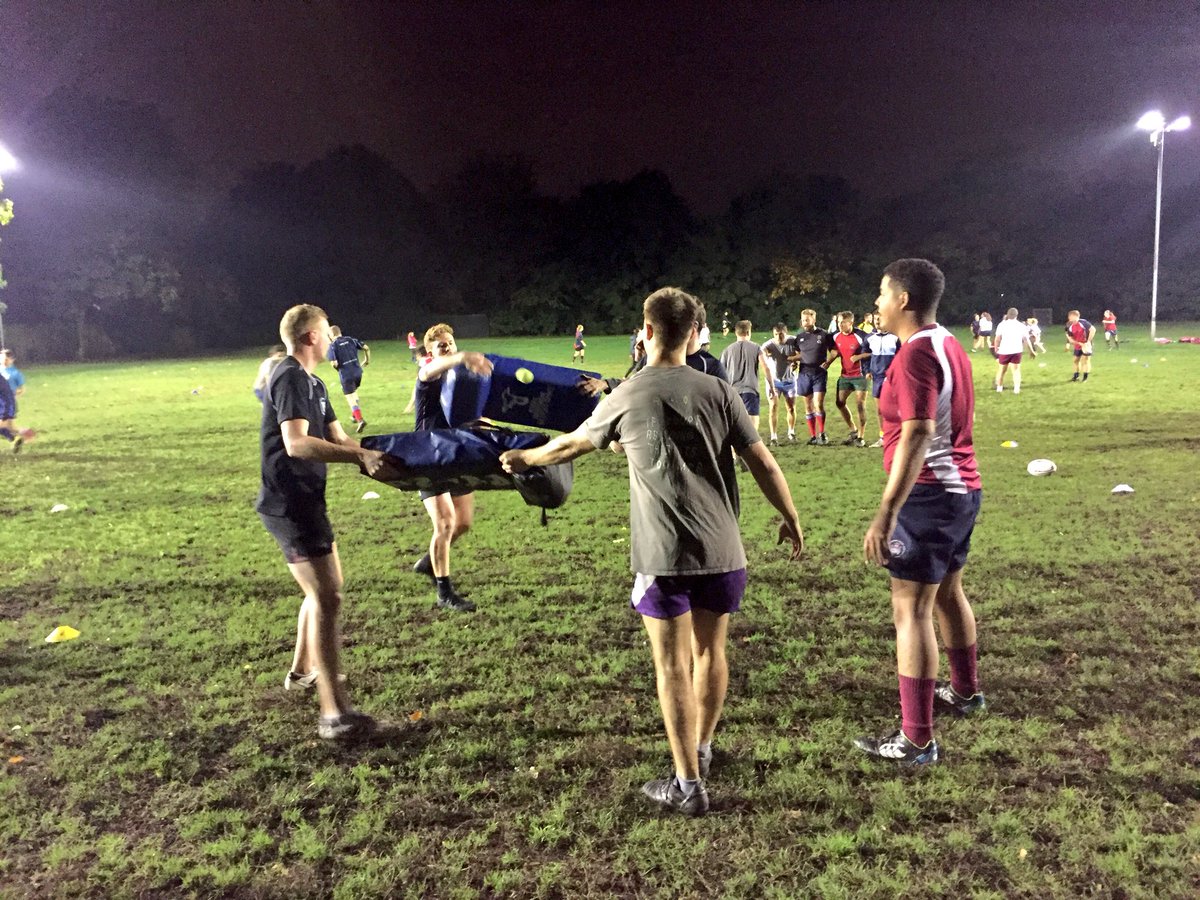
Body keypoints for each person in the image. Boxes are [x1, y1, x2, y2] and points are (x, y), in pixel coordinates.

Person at [499, 287, 804, 816]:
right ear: (694, 334)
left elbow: (569, 444)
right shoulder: (720, 390)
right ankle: (702, 750)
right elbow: (764, 463)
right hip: (724, 549)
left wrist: (524, 459)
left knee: (671, 667)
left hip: (663, 558)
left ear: (645, 331)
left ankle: (687, 784)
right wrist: (790, 517)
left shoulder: (628, 393)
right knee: (711, 653)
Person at [857, 259, 985, 767]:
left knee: (910, 610)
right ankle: (966, 691)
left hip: (928, 496)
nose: (877, 304)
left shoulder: (913, 356)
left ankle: (916, 740)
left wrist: (887, 511)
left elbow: (917, 430)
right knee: (949, 593)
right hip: (961, 490)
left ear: (904, 300)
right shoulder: (947, 341)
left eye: (882, 294)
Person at [256, 304, 389, 741]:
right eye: (326, 333)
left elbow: (338, 438)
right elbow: (296, 444)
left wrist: (388, 458)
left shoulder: (313, 382)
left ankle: (300, 673)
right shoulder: (291, 375)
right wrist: (359, 457)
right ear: (311, 337)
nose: (333, 339)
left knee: (323, 592)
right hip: (290, 502)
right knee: (327, 595)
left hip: (308, 500)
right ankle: (334, 714)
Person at [410, 324, 494, 612]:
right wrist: (459, 358)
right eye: (441, 345)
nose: (447, 347)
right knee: (444, 523)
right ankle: (445, 592)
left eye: (450, 343)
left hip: (456, 456)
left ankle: (428, 562)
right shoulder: (427, 375)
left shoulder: (460, 382)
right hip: (428, 457)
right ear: (430, 352)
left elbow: (466, 418)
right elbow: (430, 370)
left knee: (463, 523)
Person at [789, 309, 834, 445]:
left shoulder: (824, 335)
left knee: (818, 404)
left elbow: (834, 351)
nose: (805, 322)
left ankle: (822, 433)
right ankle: (813, 436)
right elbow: (799, 354)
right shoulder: (799, 337)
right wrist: (794, 362)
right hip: (804, 373)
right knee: (808, 406)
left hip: (819, 372)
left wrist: (829, 362)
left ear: (814, 320)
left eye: (807, 320)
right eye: (803, 320)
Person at [827, 311, 872, 447]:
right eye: (839, 322)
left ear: (851, 323)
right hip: (845, 375)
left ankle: (861, 437)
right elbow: (835, 350)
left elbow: (872, 351)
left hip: (860, 375)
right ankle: (853, 430)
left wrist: (858, 358)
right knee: (839, 402)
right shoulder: (835, 336)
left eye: (843, 322)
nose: (840, 325)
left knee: (860, 405)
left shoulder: (861, 336)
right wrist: (829, 361)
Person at [719, 320, 762, 435]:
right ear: (748, 332)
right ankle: (750, 450)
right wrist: (772, 387)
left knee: (733, 426)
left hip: (732, 392)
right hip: (750, 391)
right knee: (752, 428)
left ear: (736, 332)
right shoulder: (757, 348)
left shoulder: (727, 351)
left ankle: (733, 453)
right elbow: (766, 368)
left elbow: (720, 373)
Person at [326, 326, 371, 432]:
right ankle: (354, 416)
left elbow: (334, 363)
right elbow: (366, 348)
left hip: (346, 374)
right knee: (354, 393)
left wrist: (337, 367)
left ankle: (360, 420)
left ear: (331, 335)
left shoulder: (332, 346)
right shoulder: (351, 339)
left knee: (350, 399)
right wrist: (367, 360)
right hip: (358, 372)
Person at [760, 323, 798, 444]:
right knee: (773, 407)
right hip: (774, 382)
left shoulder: (793, 341)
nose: (778, 337)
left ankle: (791, 432)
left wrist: (795, 360)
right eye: (776, 334)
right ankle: (773, 437)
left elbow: (802, 352)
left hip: (790, 381)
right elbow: (761, 352)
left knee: (791, 407)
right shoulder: (769, 345)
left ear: (786, 333)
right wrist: (765, 353)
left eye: (781, 334)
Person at [865, 324, 900, 446]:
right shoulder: (869, 337)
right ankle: (883, 437)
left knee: (895, 409)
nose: (878, 322)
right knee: (880, 409)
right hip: (877, 377)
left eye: (880, 318)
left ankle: (897, 436)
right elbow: (865, 355)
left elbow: (902, 355)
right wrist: (867, 370)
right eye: (876, 319)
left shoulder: (896, 336)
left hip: (892, 377)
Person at [991, 307, 1037, 393]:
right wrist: (1032, 351)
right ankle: (1016, 389)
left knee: (1001, 370)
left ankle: (999, 388)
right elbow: (1026, 340)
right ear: (1016, 315)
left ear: (1008, 315)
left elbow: (997, 338)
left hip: (1004, 350)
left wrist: (996, 348)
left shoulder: (1002, 325)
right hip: (1016, 350)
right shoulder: (1021, 325)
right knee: (1016, 370)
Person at [0, 349, 28, 453]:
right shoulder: (1, 370)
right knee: (9, 426)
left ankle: (16, 438)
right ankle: (25, 435)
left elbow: (22, 389)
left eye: (6, 358)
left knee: (5, 426)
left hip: (7, 403)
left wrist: (16, 395)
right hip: (3, 402)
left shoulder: (15, 373)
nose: (4, 360)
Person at [1065, 310, 1096, 382]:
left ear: (1076, 316)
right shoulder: (1069, 325)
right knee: (1075, 360)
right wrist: (1076, 343)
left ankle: (1085, 378)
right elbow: (1070, 338)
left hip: (1086, 345)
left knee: (1085, 361)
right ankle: (1076, 376)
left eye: (1070, 316)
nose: (1069, 318)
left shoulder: (1083, 322)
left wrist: (1088, 341)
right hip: (1078, 345)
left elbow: (1093, 329)